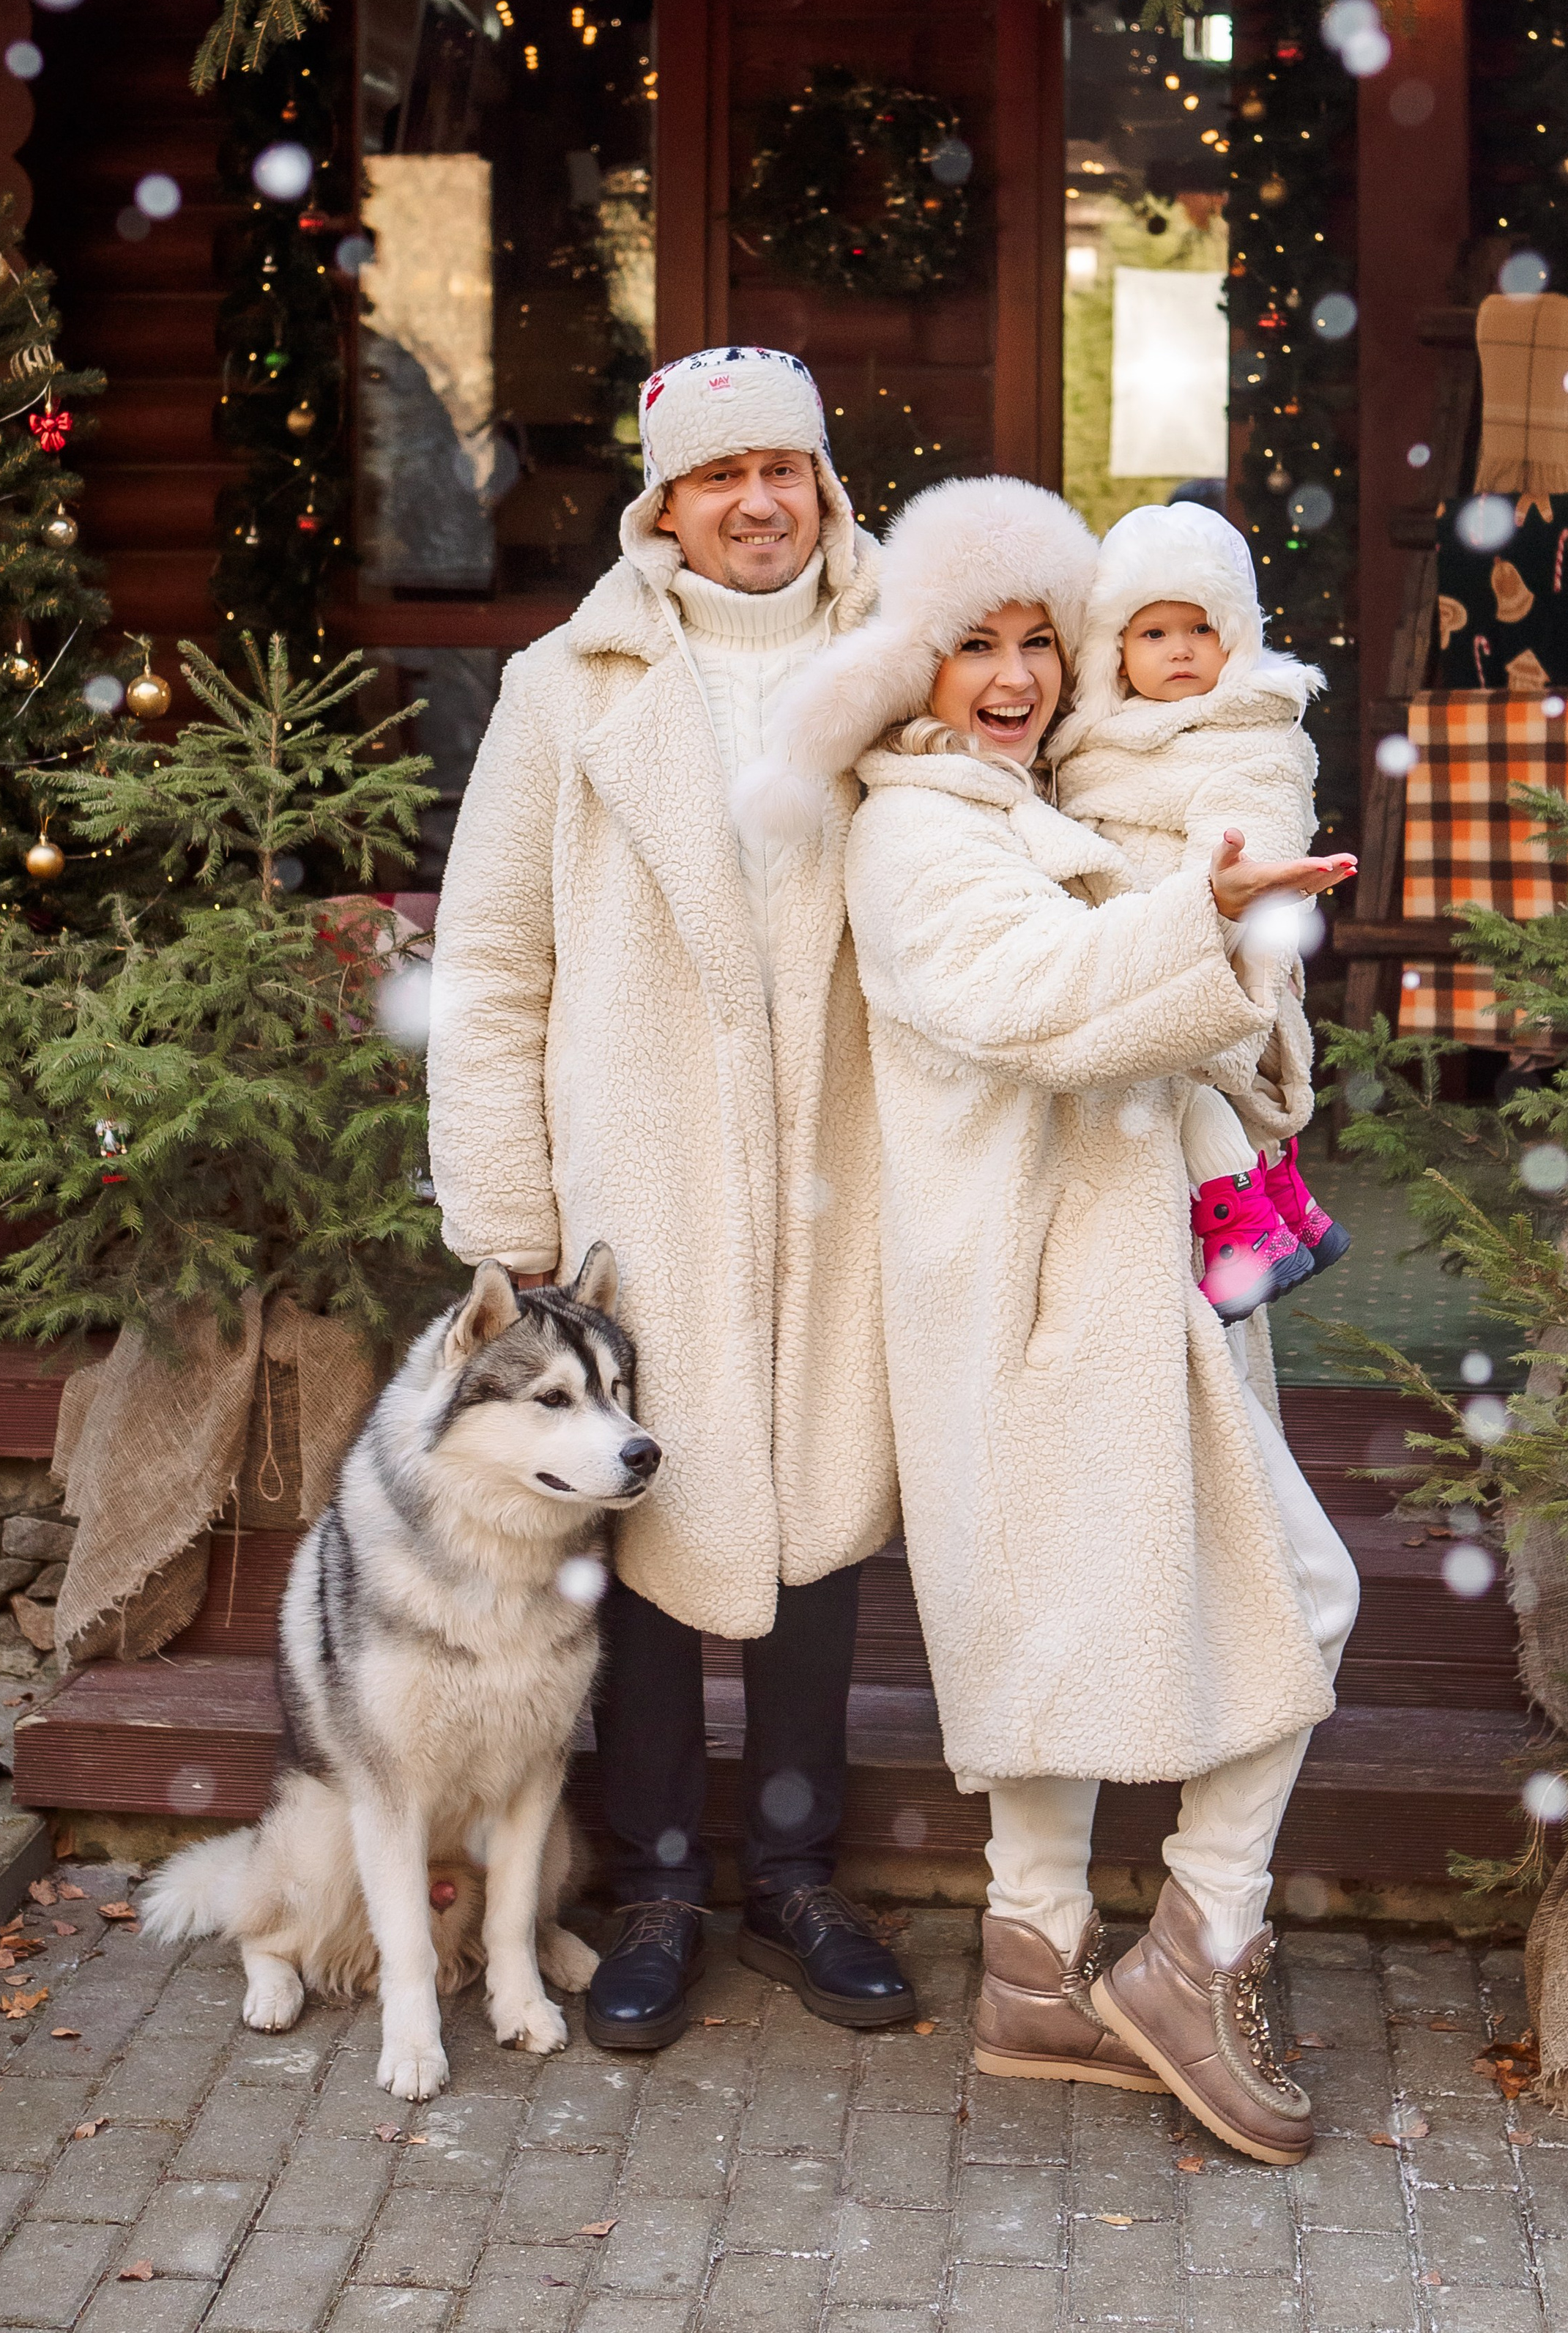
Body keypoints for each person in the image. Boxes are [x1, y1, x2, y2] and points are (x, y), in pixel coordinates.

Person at [735, 473, 1361, 2167]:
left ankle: (1031, 1960)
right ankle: (1192, 1945)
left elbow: (1158, 1000)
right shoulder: (912, 828)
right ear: (908, 664)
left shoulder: (1034, 801)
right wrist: (1206, 918)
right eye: (972, 644)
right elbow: (1036, 1000)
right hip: (1030, 1298)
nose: (1011, 675)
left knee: (1068, 1626)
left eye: (1035, 640)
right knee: (1290, 1589)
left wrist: (1233, 957)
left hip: (1097, 1285)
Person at [428, 344, 913, 2050]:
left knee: (818, 1513)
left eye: (785, 466)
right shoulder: (573, 687)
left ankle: (793, 1869)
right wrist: (508, 1219)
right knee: (636, 1531)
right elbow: (489, 961)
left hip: (844, 1159)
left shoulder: (901, 662)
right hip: (637, 1177)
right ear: (665, 502)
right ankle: (649, 1882)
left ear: (823, 485)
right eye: (721, 475)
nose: (758, 500)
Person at [1053, 502, 1353, 1323]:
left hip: (1211, 944)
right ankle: (1275, 1195)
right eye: (1152, 634)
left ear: (1237, 637)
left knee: (1179, 1075)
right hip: (1128, 937)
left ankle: (1244, 1226)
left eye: (1200, 629)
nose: (1179, 650)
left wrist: (1197, 912)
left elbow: (1248, 835)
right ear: (1114, 648)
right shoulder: (1091, 740)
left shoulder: (1250, 727)